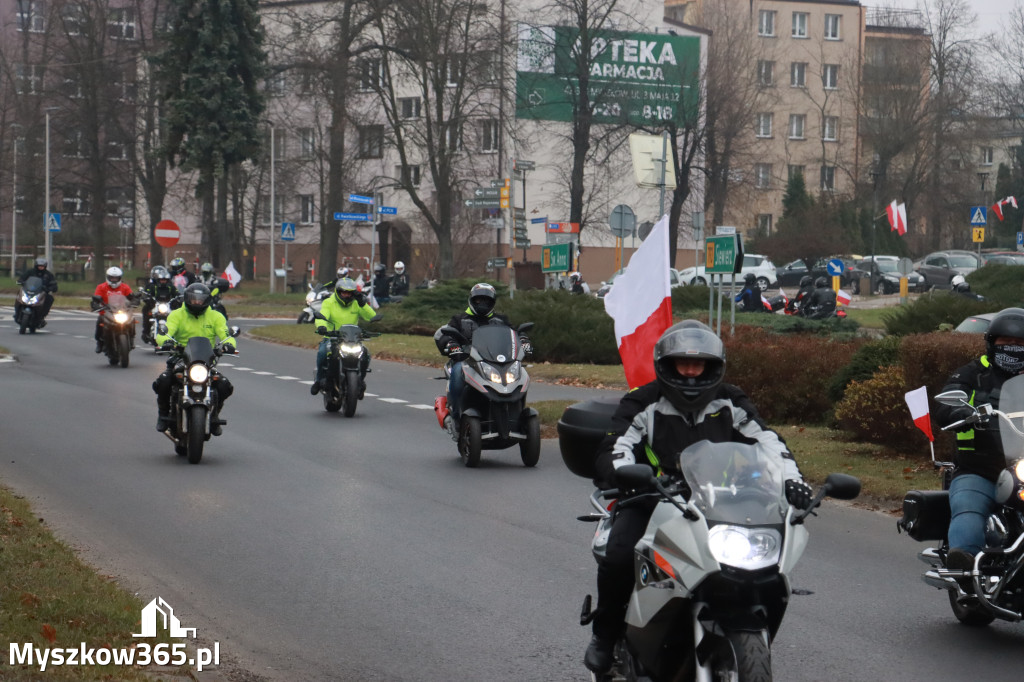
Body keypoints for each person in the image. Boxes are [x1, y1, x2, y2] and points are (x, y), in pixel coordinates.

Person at [583, 320, 811, 674]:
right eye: (682, 365)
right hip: (654, 497)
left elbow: (770, 443)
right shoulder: (644, 401)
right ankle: (605, 635)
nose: (690, 374)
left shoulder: (731, 401)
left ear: (712, 367)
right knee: (618, 556)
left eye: (698, 365)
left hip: (720, 500)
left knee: (757, 565)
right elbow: (615, 447)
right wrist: (627, 477)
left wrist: (794, 482)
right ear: (666, 365)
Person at [934, 307, 1024, 578]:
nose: (1013, 348)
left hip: (1020, 464)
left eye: (1020, 344)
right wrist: (959, 410)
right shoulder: (971, 373)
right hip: (980, 467)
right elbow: (950, 396)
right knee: (968, 505)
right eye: (1006, 343)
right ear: (991, 343)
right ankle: (964, 559)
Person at [153, 283, 236, 434]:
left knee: (224, 385)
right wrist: (165, 341)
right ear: (187, 299)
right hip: (180, 357)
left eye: (200, 300)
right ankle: (163, 414)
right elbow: (165, 332)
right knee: (164, 381)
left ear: (207, 300)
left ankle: (214, 415)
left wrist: (228, 345)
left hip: (205, 359)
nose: (197, 303)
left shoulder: (216, 316)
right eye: (193, 299)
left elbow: (226, 335)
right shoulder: (177, 314)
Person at [433, 283, 511, 422]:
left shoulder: (501, 321)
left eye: (487, 300)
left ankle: (515, 414)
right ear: (472, 300)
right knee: (458, 373)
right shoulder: (459, 319)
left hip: (495, 363)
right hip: (466, 361)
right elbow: (442, 335)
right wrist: (451, 345)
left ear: (492, 302)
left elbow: (513, 336)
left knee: (519, 375)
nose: (482, 303)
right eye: (479, 300)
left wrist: (523, 340)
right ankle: (456, 416)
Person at [310, 278, 379, 397]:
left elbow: (371, 316)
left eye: (349, 293)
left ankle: (360, 381)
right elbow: (322, 316)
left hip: (353, 339)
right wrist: (322, 327)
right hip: (332, 338)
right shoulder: (329, 302)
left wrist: (363, 303)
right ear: (338, 292)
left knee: (366, 354)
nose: (346, 295)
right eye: (344, 292)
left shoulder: (357, 303)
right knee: (322, 353)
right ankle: (318, 380)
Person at [91, 266, 135, 353]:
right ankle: (99, 342)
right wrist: (96, 304)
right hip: (107, 312)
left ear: (120, 278)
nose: (114, 280)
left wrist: (135, 300)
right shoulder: (101, 287)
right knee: (100, 321)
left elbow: (131, 296)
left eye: (116, 278)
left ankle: (131, 338)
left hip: (122, 311)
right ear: (108, 277)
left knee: (132, 320)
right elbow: (96, 298)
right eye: (112, 278)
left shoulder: (125, 287)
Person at [15, 257, 58, 327]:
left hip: (41, 293)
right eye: (39, 266)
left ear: (45, 266)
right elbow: (21, 279)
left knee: (50, 298)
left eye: (42, 266)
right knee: (19, 293)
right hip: (29, 291)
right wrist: (20, 282)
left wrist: (50, 288)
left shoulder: (48, 275)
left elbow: (54, 285)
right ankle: (17, 311)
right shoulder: (30, 272)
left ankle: (41, 316)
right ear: (36, 265)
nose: (41, 267)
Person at [140, 265, 177, 344]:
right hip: (155, 305)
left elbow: (177, 293)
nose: (163, 282)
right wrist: (146, 297)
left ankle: (177, 334)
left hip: (168, 305)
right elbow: (146, 292)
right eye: (161, 280)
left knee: (177, 314)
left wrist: (179, 298)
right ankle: (146, 332)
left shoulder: (171, 287)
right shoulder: (152, 286)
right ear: (158, 280)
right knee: (146, 310)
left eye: (165, 280)